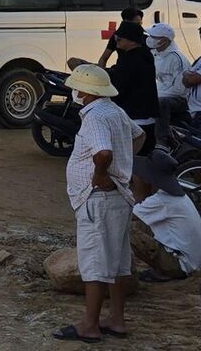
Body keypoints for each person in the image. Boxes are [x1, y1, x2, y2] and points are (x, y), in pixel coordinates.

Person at [54, 63, 143, 342]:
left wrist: (101, 173)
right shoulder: (114, 110)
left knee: (95, 264)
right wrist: (124, 164)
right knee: (116, 262)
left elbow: (103, 153)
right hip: (117, 196)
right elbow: (139, 136)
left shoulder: (94, 117)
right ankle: (116, 319)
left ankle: (89, 325)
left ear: (85, 91)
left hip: (98, 198)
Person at [75, 21, 158, 154]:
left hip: (135, 118)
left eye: (120, 38)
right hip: (147, 116)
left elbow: (118, 88)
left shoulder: (129, 60)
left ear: (132, 41)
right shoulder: (145, 54)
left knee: (129, 162)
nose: (116, 40)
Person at [129, 151, 201, 283]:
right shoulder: (177, 197)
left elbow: (127, 216)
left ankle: (165, 271)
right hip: (191, 263)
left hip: (180, 265)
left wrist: (139, 191)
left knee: (125, 230)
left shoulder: (162, 200)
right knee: (139, 226)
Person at [149, 23, 190, 126]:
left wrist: (154, 96)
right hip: (161, 94)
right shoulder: (155, 54)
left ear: (164, 40)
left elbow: (179, 89)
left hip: (177, 99)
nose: (150, 39)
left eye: (154, 37)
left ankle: (162, 137)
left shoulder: (177, 59)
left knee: (160, 103)